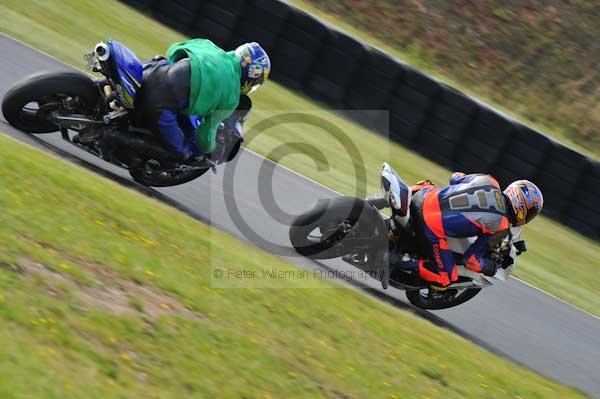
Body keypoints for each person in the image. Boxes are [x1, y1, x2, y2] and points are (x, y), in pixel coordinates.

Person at [106, 40, 270, 165]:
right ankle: (112, 139)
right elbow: (204, 134)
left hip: (151, 73)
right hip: (160, 105)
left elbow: (174, 50)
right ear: (251, 77)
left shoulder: (209, 46)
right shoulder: (231, 98)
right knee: (179, 153)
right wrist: (209, 150)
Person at [388, 173, 543, 289]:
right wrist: (488, 267)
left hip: (423, 196)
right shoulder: (500, 225)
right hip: (429, 225)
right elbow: (471, 260)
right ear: (522, 210)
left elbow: (455, 177)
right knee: (447, 277)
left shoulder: (489, 181)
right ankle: (396, 261)